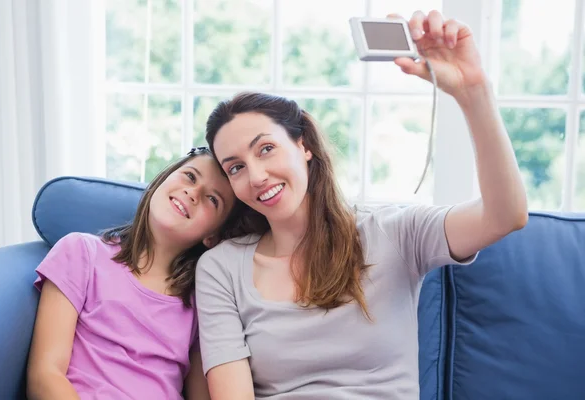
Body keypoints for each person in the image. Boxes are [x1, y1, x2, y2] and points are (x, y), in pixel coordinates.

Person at [194, 9, 529, 400]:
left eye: (266, 149)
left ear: (303, 146)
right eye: (236, 167)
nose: (256, 176)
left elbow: (505, 215)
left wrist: (473, 93)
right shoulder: (221, 268)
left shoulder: (393, 232)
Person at [26, 147, 242, 400]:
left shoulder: (203, 298)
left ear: (212, 236)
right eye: (190, 177)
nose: (193, 193)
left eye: (212, 199)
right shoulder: (81, 252)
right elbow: (44, 376)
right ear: (161, 180)